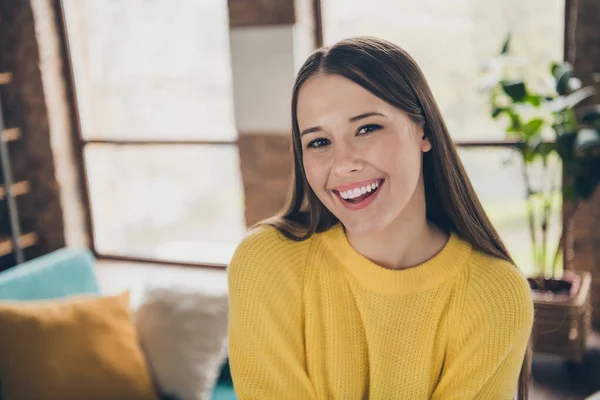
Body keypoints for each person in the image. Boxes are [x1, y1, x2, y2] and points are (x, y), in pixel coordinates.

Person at [227, 36, 534, 400]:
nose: (343, 163)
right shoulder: (265, 264)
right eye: (319, 142)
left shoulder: (495, 294)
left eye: (367, 128)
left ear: (423, 130)